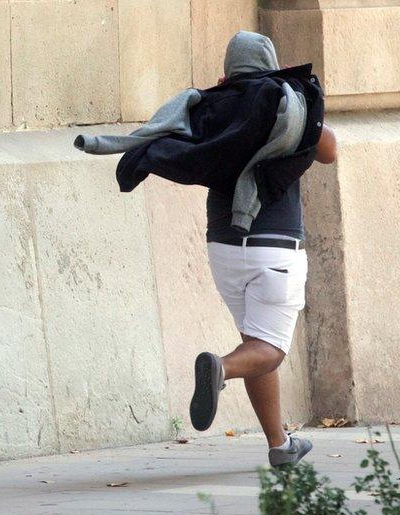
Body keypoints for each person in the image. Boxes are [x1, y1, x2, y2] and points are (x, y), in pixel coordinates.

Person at [76, 32, 337, 467]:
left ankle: (279, 444)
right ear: (271, 65)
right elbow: (329, 149)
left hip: (225, 248)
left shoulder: (214, 111)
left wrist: (231, 95)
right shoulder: (286, 105)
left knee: (254, 342)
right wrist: (291, 97)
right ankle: (220, 368)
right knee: (268, 348)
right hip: (275, 249)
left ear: (227, 73)